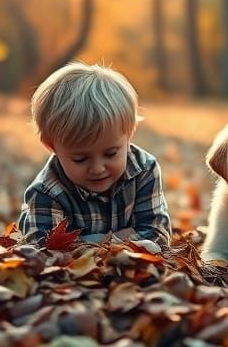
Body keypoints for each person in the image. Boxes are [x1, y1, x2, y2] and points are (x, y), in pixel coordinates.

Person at [17, 61, 171, 248]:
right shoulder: (46, 192)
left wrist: (86, 244)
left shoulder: (144, 170)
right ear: (51, 146)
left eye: (111, 154)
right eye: (80, 159)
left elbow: (157, 235)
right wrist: (118, 240)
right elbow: (45, 250)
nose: (98, 168)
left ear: (129, 135)